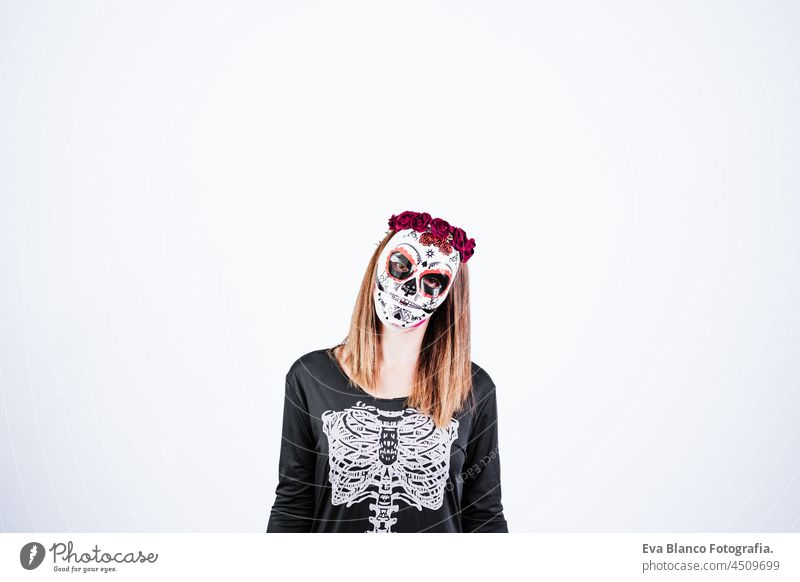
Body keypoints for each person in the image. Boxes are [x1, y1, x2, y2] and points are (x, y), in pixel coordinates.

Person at [266, 210, 508, 533]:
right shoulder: (310, 378)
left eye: (432, 280)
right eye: (401, 266)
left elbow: (484, 517)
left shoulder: (472, 389)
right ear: (379, 266)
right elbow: (292, 507)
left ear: (450, 295)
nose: (410, 289)